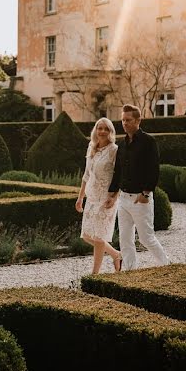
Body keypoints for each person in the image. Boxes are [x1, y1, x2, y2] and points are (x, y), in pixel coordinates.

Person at [105, 104, 169, 270]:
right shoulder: (122, 144)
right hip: (123, 200)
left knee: (146, 238)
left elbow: (154, 168)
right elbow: (118, 171)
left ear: (138, 120)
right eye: (123, 120)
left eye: (128, 120)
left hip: (140, 199)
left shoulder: (149, 141)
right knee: (125, 239)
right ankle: (130, 270)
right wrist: (112, 194)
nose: (124, 123)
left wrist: (146, 193)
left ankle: (167, 266)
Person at [75, 117, 123, 274]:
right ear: (95, 130)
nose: (102, 131)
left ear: (111, 132)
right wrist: (80, 197)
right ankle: (116, 254)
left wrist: (115, 197)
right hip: (92, 197)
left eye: (106, 129)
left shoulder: (114, 150)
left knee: (99, 236)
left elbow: (120, 176)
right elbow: (86, 175)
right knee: (87, 235)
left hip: (106, 198)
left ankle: (94, 274)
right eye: (99, 128)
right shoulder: (91, 147)